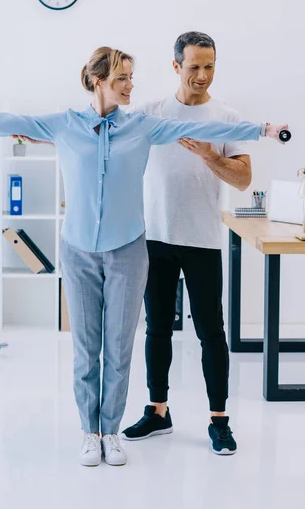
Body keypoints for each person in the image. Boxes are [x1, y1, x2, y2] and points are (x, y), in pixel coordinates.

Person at [0, 46, 287, 466]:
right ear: (98, 82)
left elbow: (197, 123)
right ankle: (88, 433)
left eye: (131, 77)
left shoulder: (143, 126)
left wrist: (264, 130)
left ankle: (111, 432)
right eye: (122, 79)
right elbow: (6, 121)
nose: (131, 86)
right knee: (86, 348)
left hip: (129, 249)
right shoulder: (64, 124)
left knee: (119, 348)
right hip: (77, 251)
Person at [121, 31, 256, 455]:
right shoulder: (151, 113)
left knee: (211, 332)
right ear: (176, 66)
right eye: (194, 66)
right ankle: (158, 411)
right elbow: (103, 133)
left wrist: (209, 155)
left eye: (210, 66)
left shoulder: (226, 117)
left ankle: (219, 420)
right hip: (156, 237)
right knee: (157, 329)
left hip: (201, 239)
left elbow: (243, 178)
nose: (203, 75)